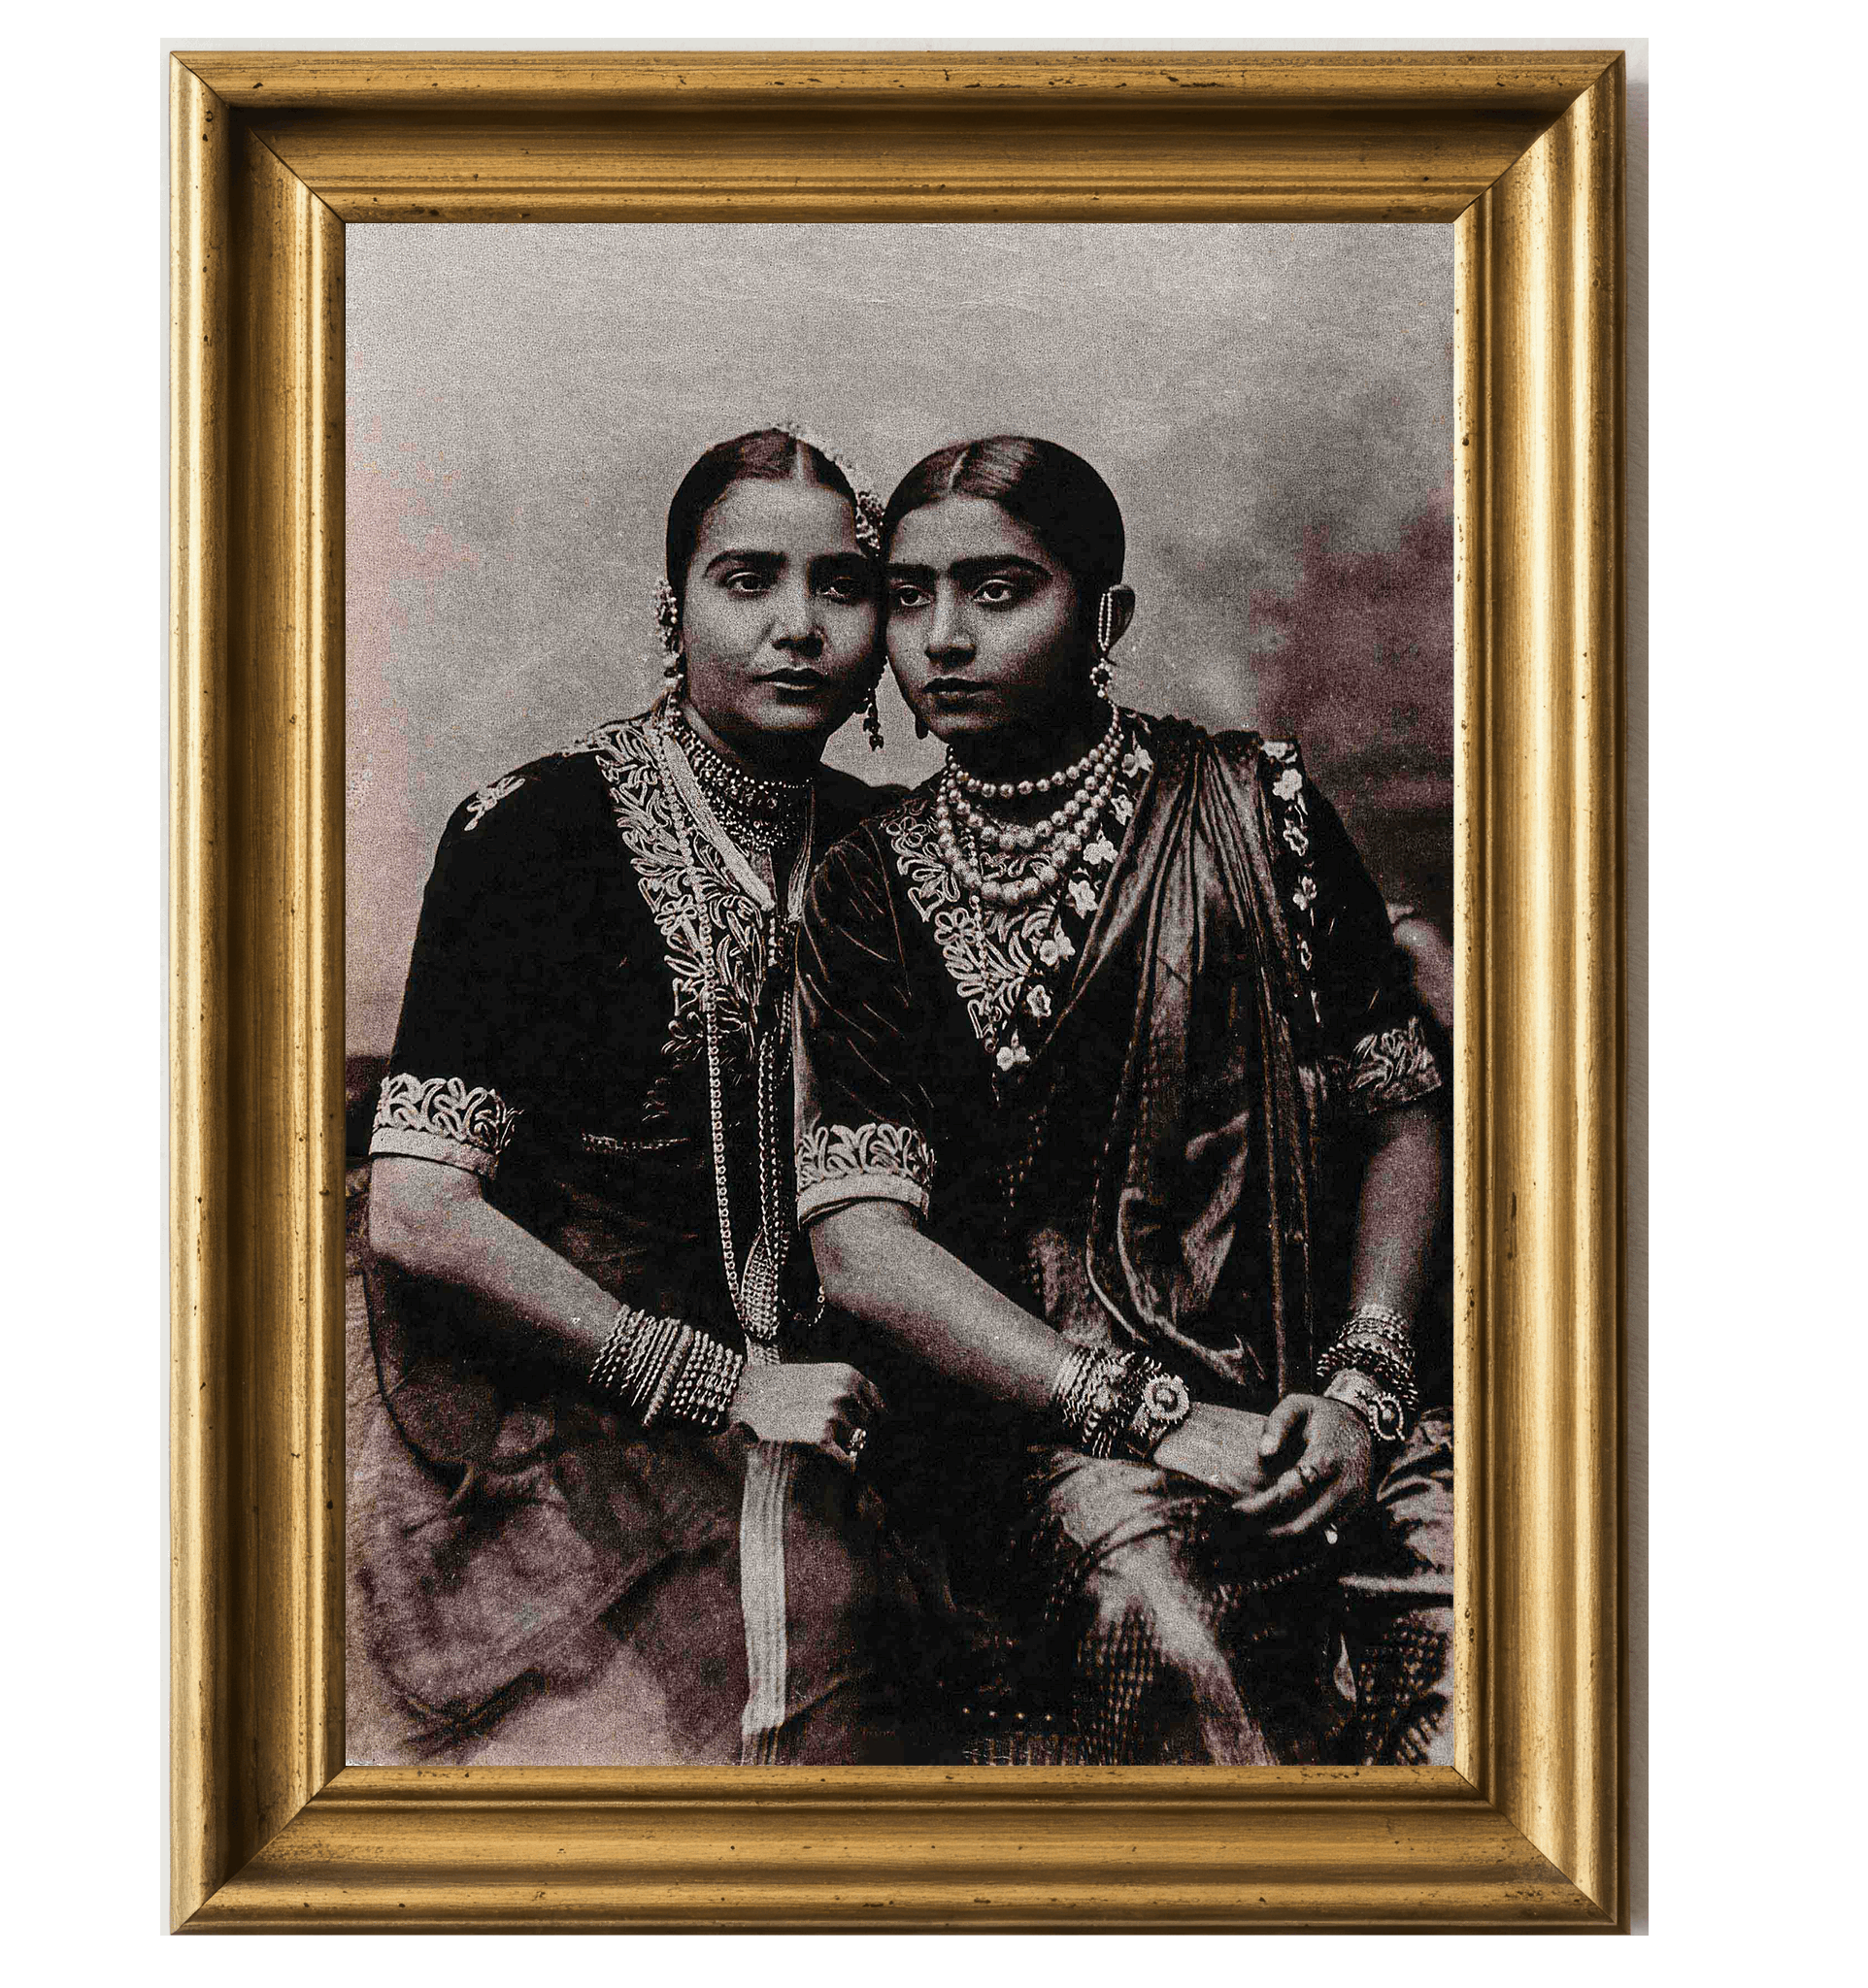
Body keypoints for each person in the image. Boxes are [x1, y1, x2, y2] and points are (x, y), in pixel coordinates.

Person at [791, 436, 1452, 1766]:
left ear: (1106, 618)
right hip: (1044, 1443)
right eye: (909, 595)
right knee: (1160, 1614)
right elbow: (864, 1249)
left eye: (996, 591)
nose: (942, 641)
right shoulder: (868, 883)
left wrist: (1366, 1383)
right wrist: (1149, 1416)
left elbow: (1397, 1110)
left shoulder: (1255, 805)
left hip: (1321, 1406)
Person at [358, 426, 924, 1766]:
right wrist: (717, 1382)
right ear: (675, 617)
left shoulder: (882, 852)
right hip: (537, 1417)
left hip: (827, 1402)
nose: (799, 627)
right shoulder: (538, 834)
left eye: (841, 586)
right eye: (749, 581)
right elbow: (420, 1212)